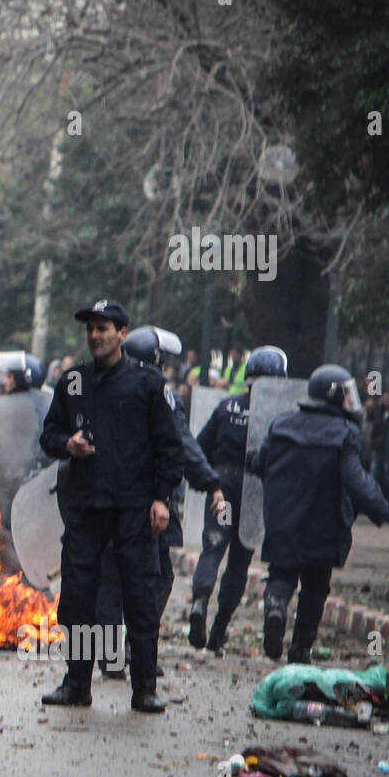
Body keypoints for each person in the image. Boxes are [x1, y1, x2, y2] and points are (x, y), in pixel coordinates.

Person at [38, 300, 183, 713]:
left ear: (122, 333)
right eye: (90, 329)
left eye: (103, 328)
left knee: (139, 597)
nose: (95, 336)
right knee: (78, 598)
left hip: (134, 510)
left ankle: (144, 689)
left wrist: (162, 498)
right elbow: (48, 435)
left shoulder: (147, 384)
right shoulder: (73, 382)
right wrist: (67, 444)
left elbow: (168, 447)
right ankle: (77, 683)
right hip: (85, 510)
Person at [252, 365, 389, 662]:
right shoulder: (345, 433)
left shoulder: (282, 424)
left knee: (282, 574)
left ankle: (275, 608)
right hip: (324, 526)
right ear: (335, 397)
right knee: (315, 587)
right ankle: (300, 650)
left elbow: (262, 463)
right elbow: (358, 483)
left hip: (283, 520)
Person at [94, 325, 223, 679]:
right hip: (146, 509)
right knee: (155, 578)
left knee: (109, 580)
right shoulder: (158, 394)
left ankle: (108, 657)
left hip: (102, 508)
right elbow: (181, 445)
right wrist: (210, 483)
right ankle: (139, 650)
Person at [187, 345, 288, 652]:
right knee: (239, 562)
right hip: (255, 490)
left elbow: (198, 447)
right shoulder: (280, 418)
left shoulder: (227, 407)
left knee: (214, 547)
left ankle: (199, 605)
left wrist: (209, 480)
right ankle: (218, 632)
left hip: (223, 487)